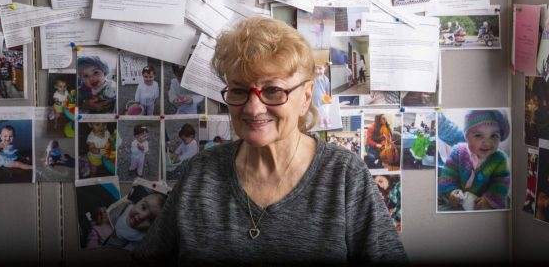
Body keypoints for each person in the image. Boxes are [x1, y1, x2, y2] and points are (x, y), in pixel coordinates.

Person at [131, 17, 407, 265]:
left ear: (306, 96)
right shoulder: (200, 173)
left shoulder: (343, 175)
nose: (253, 108)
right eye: (239, 90)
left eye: (273, 90)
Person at [438, 110, 510, 211]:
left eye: (494, 136)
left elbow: (501, 184)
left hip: (481, 207)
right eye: (478, 135)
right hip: (457, 204)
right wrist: (451, 192)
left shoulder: (499, 159)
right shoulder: (457, 151)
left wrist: (489, 200)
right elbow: (448, 176)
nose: (487, 143)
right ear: (467, 136)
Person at [311, 64, 332, 129]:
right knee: (318, 111)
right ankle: (321, 121)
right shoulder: (311, 78)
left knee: (325, 110)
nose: (317, 71)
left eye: (320, 69)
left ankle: (327, 120)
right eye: (315, 69)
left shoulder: (325, 79)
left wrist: (329, 98)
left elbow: (328, 89)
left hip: (324, 98)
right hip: (314, 99)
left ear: (324, 68)